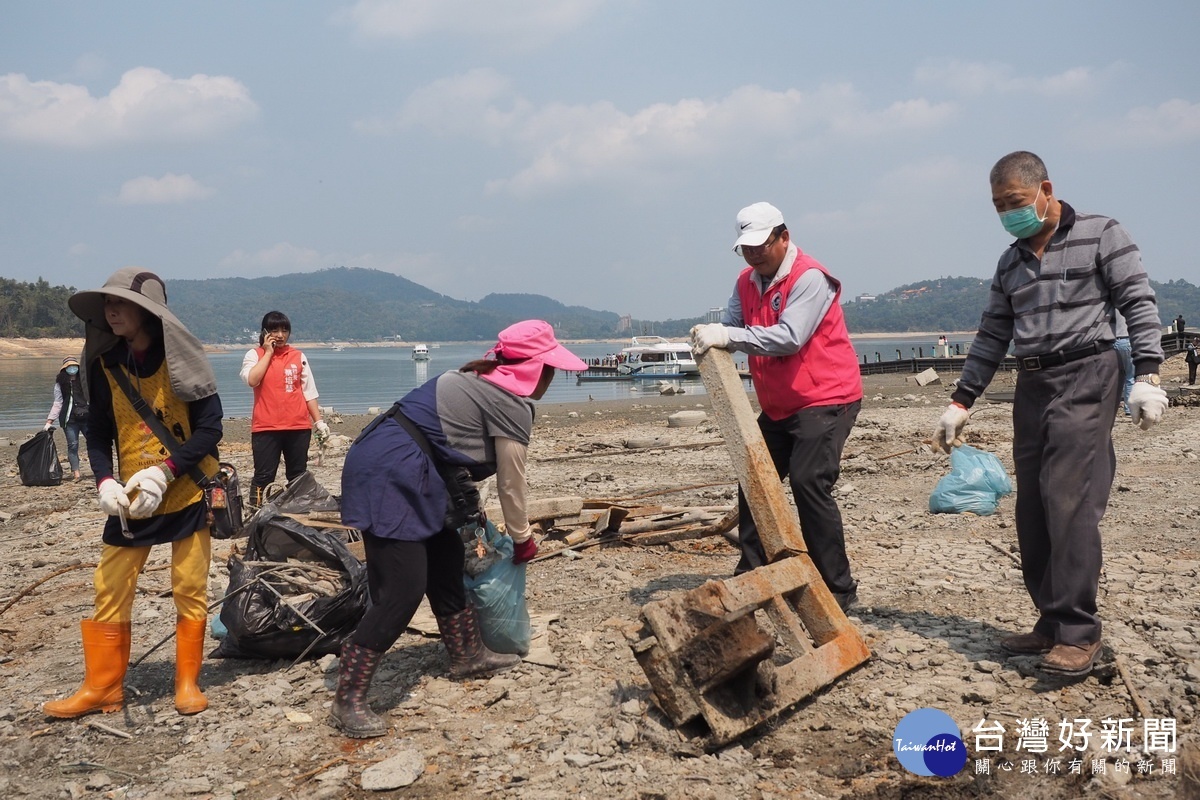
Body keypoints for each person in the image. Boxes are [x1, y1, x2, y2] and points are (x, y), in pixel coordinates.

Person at [934, 151, 1168, 677]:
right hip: (1032, 381)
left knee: (1069, 498)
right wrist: (961, 401)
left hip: (1088, 372)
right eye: (998, 207)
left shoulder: (1101, 233)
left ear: (1045, 189)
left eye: (1015, 202)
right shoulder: (1011, 262)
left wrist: (1148, 373)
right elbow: (994, 335)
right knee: (1033, 507)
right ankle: (1050, 622)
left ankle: (1079, 631)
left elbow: (1137, 300)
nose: (1008, 214)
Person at [328, 320, 588, 738]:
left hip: (411, 469)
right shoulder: (510, 402)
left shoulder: (478, 378)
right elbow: (511, 482)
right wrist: (523, 540)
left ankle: (468, 655)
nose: (552, 378)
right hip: (389, 472)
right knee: (403, 589)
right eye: (550, 369)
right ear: (534, 369)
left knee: (446, 557)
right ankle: (348, 697)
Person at [44, 267, 223, 719]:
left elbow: (211, 429)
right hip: (132, 495)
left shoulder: (184, 363)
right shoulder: (108, 366)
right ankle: (103, 686)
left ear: (147, 312)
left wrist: (165, 472)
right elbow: (99, 431)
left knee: (188, 584)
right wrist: (105, 479)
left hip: (186, 488)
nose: (111, 310)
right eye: (108, 304)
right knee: (110, 583)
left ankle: (186, 683)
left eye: (120, 303)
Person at [690, 202, 863, 611]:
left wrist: (729, 336)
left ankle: (838, 589)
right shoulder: (746, 281)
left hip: (826, 397)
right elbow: (734, 323)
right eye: (746, 248)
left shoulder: (810, 278)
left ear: (783, 237)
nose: (754, 254)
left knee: (808, 483)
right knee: (755, 479)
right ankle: (752, 571)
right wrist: (716, 334)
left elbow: (790, 337)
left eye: (760, 245)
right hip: (780, 405)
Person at [239, 311, 329, 509]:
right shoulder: (254, 355)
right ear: (264, 332)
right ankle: (255, 514)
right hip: (266, 427)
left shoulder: (298, 356)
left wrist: (319, 422)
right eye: (274, 330)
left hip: (298, 426)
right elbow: (252, 380)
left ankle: (299, 514)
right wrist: (268, 353)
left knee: (297, 475)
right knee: (263, 475)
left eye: (284, 330)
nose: (280, 335)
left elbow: (309, 392)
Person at [44, 355, 89, 481]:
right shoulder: (60, 385)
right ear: (64, 369)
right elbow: (58, 403)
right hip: (69, 420)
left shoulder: (85, 381)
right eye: (69, 367)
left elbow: (93, 398)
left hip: (87, 417)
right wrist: (49, 421)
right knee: (73, 445)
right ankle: (76, 474)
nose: (72, 369)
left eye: (74, 366)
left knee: (93, 443)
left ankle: (98, 470)